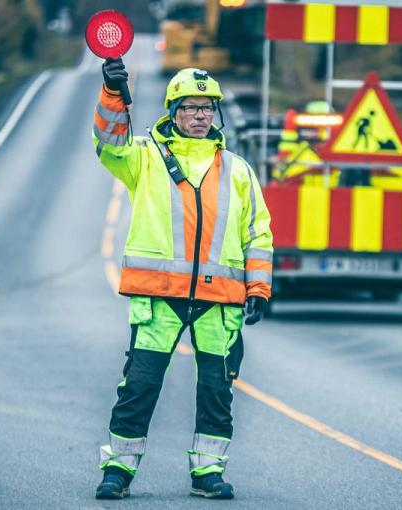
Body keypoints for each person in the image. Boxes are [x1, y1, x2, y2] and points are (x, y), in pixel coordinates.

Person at [91, 57, 273, 500]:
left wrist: (259, 288)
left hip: (222, 302)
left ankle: (208, 472)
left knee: (216, 391)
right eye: (191, 108)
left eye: (207, 108)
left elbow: (258, 233)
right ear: (173, 112)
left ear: (216, 114)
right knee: (139, 386)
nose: (200, 116)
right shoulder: (145, 158)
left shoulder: (238, 170)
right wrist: (113, 93)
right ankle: (117, 469)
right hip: (159, 299)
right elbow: (108, 143)